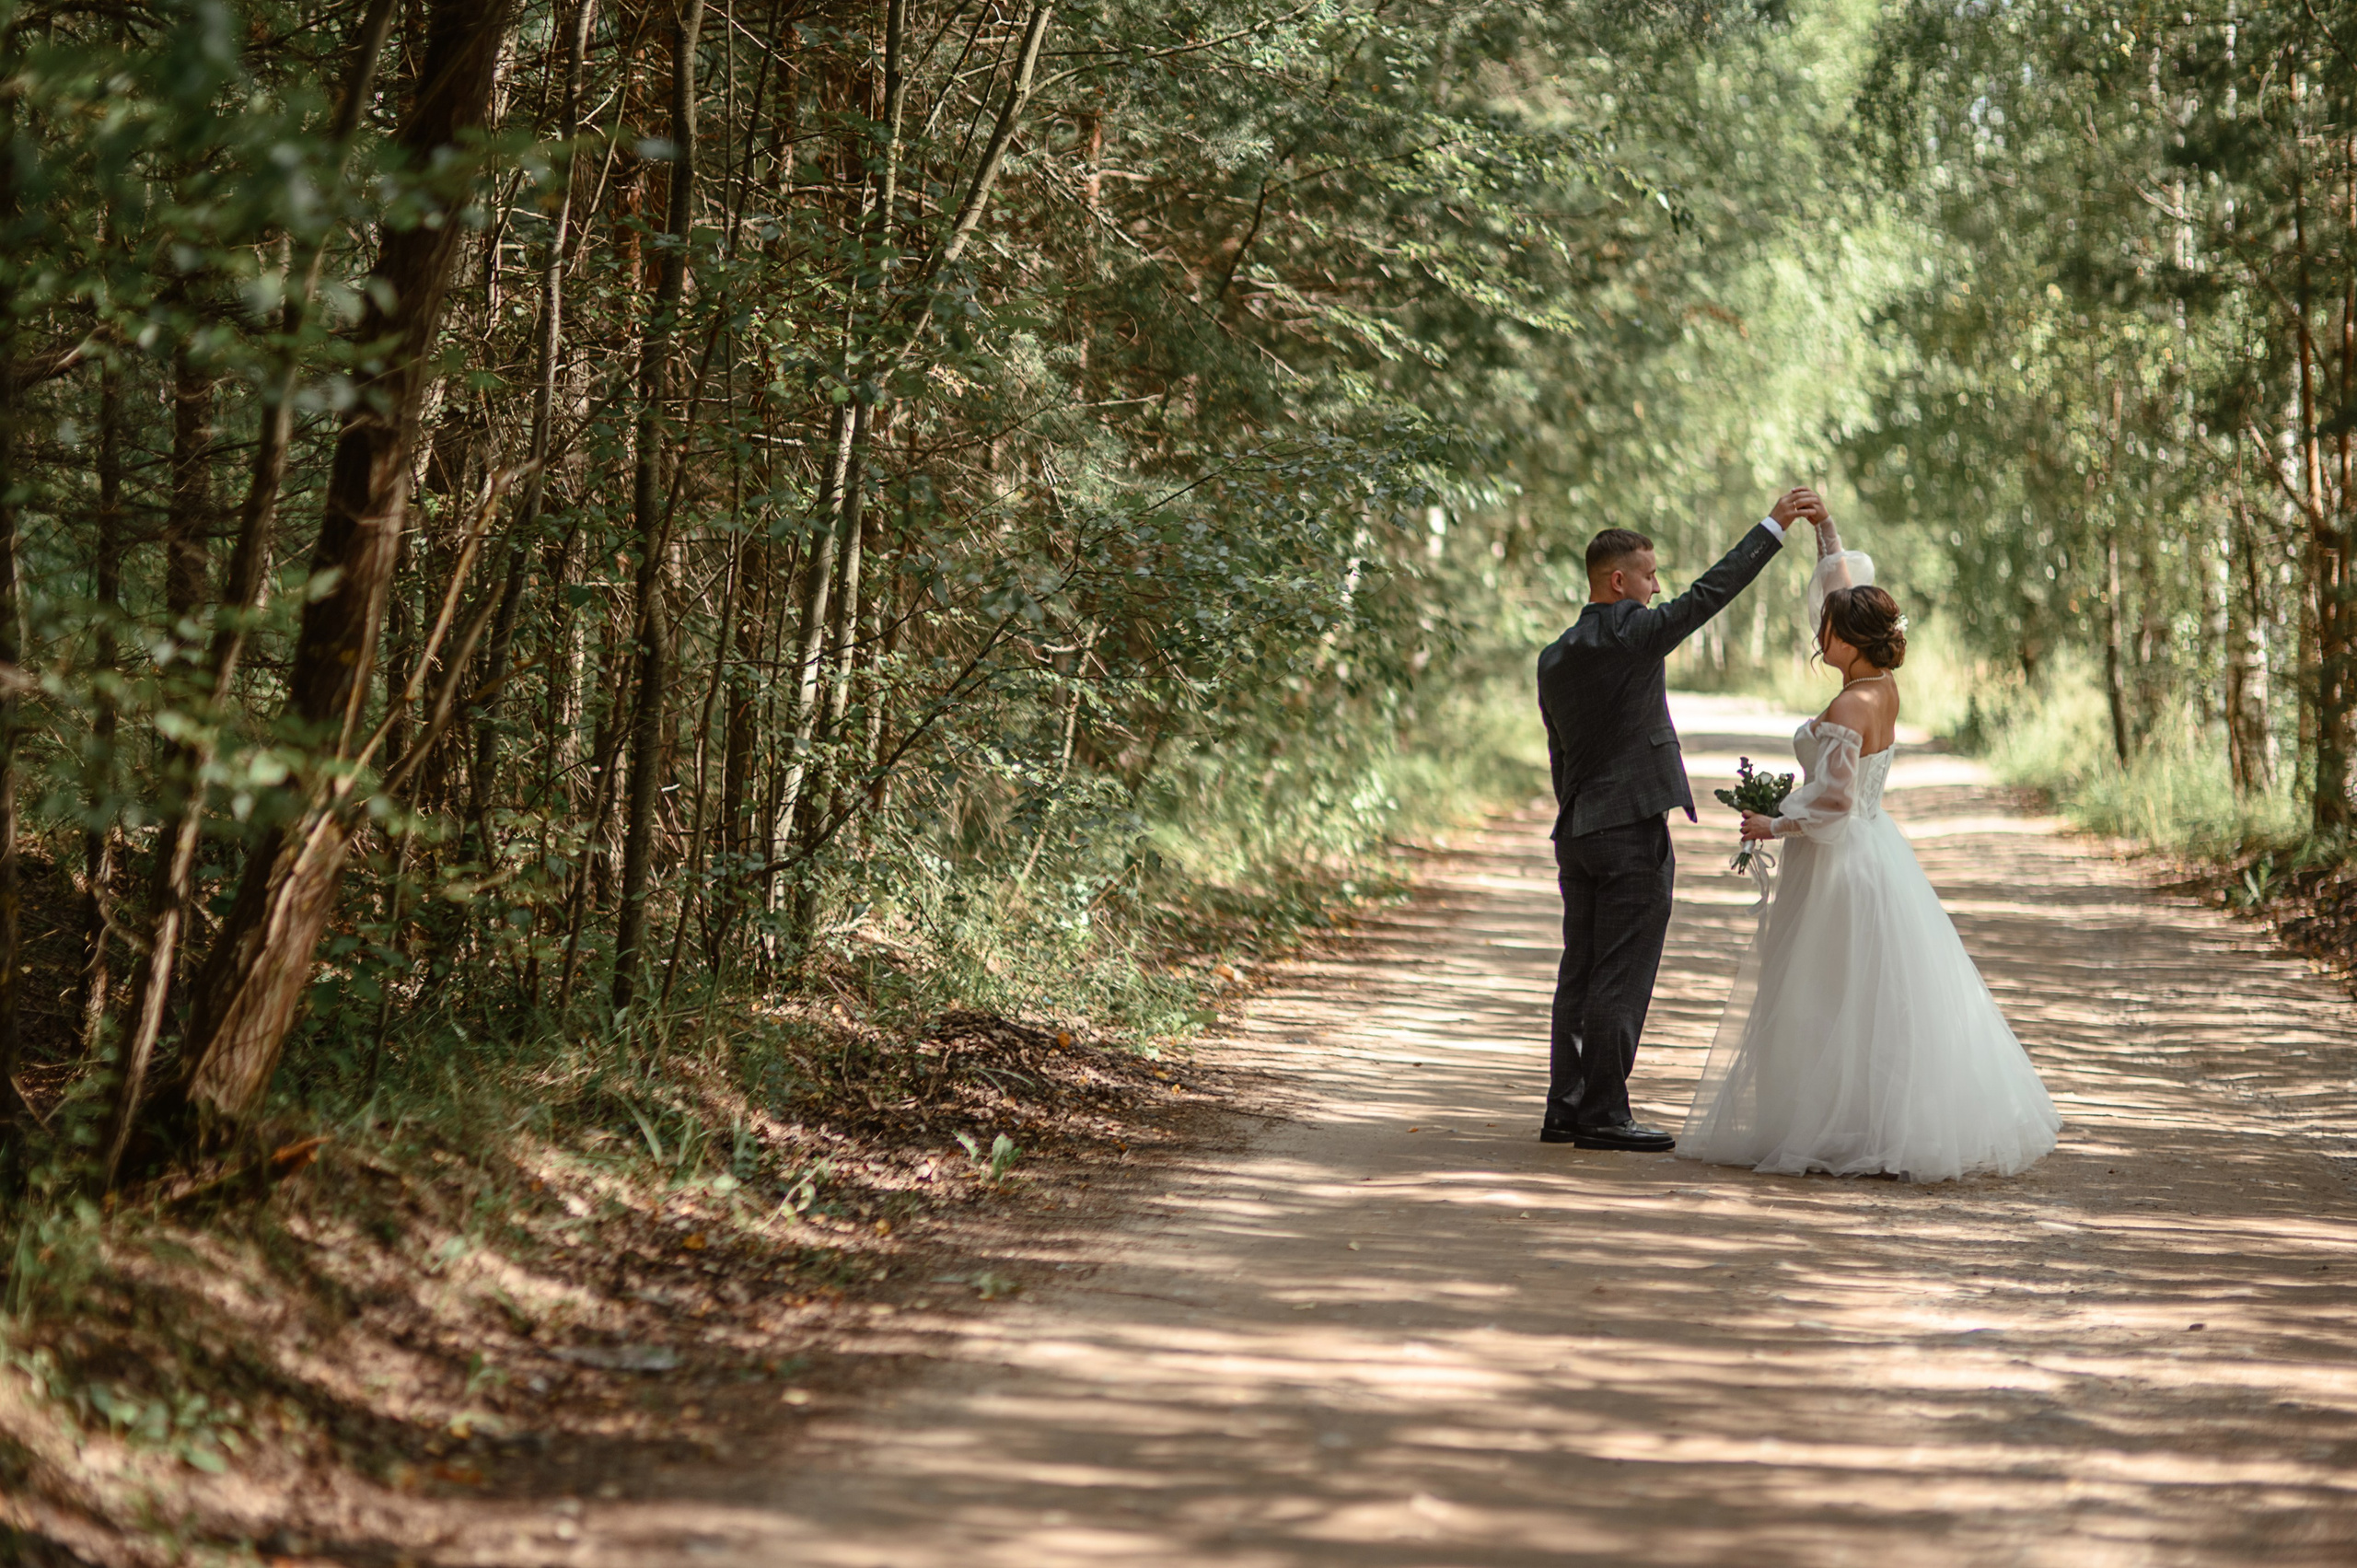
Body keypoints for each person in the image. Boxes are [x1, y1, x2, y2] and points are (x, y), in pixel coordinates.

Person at [1678, 527, 2062, 1180]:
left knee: (1826, 994)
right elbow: (1842, 594)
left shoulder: (1850, 703)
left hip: (1839, 863)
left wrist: (1771, 823)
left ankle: (1833, 1128)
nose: (1816, 634)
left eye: (1826, 628)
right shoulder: (1881, 686)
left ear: (1848, 640)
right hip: (1876, 851)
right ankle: (1866, 1120)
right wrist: (1824, 529)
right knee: (1869, 996)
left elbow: (1831, 803)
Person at [1535, 489, 1824, 1150]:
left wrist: (1578, 815)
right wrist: (1772, 529)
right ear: (1619, 580)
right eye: (1649, 574)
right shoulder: (1632, 633)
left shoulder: (1554, 656)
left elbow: (1561, 751)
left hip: (1577, 830)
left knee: (1579, 969)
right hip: (1630, 829)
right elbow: (1707, 594)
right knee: (1618, 972)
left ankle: (1566, 1105)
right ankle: (1605, 1113)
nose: (1657, 585)